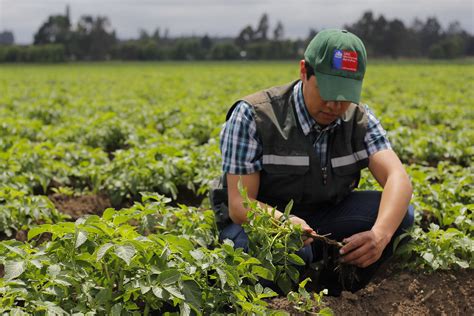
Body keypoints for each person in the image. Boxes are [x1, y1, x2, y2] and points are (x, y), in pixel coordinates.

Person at [214, 29, 414, 295]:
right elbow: (241, 205)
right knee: (265, 253)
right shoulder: (253, 116)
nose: (334, 105)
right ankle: (278, 300)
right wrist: (285, 223)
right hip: (261, 224)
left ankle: (336, 294)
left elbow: (398, 179)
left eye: (344, 96)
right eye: (327, 91)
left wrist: (379, 235)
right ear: (303, 72)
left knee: (399, 215)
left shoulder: (359, 121)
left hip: (324, 217)